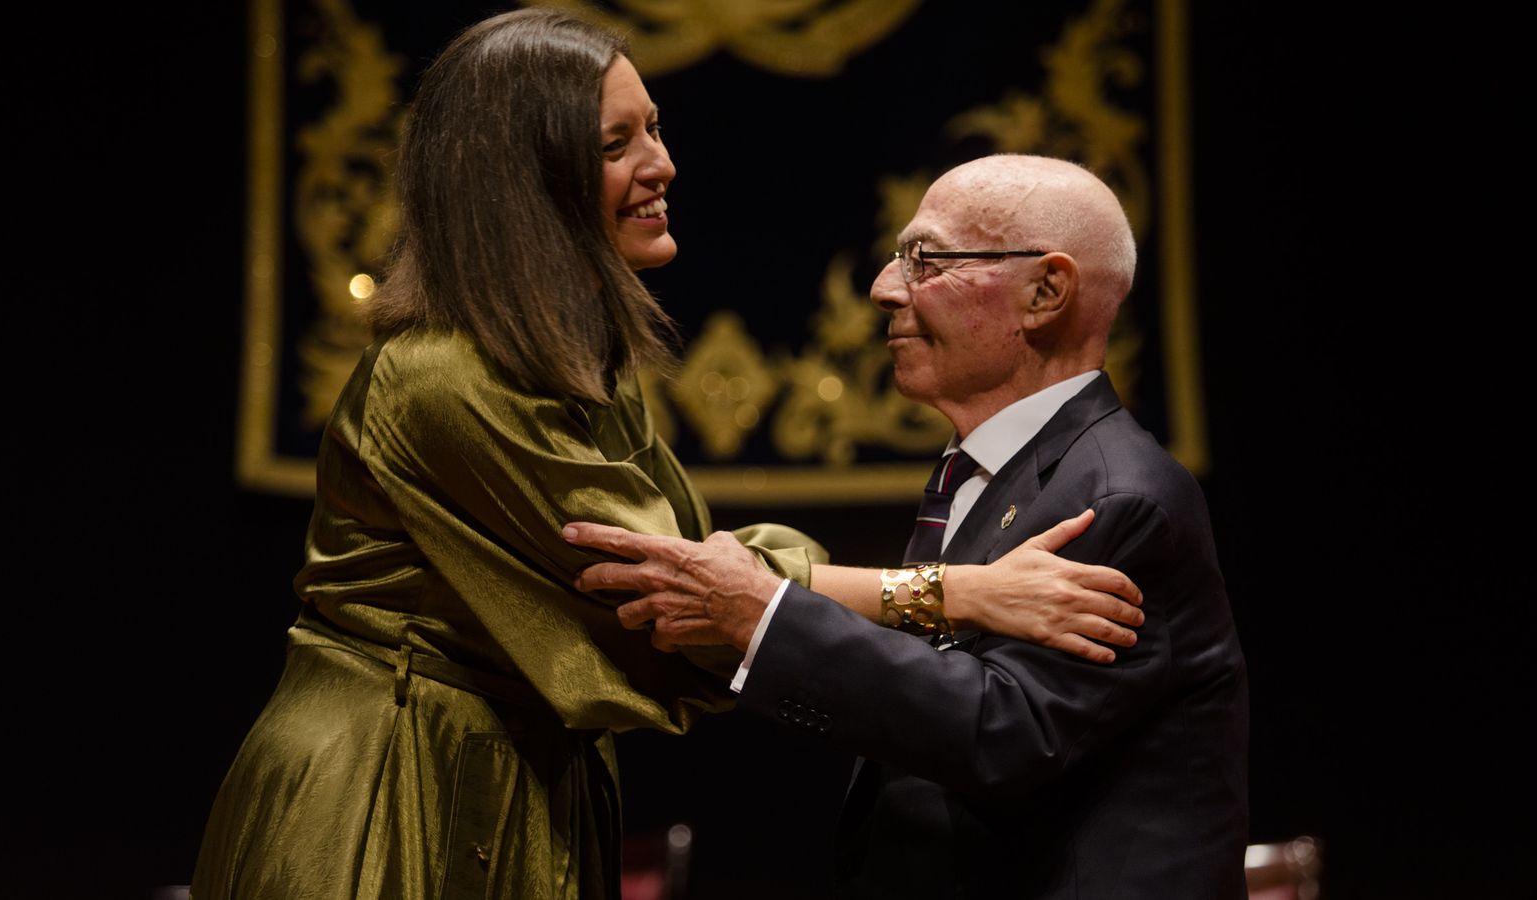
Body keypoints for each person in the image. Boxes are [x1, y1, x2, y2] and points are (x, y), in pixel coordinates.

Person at [191, 13, 1146, 900]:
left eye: (653, 128)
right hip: (389, 788)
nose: (663, 164)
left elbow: (710, 576)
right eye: (618, 145)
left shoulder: (571, 367)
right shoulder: (442, 378)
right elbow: (678, 593)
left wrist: (767, 586)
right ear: (527, 185)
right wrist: (949, 592)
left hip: (511, 779)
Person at [567, 155, 1250, 898]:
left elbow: (1002, 731)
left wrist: (763, 614)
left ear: (1046, 292)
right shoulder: (987, 472)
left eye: (925, 260)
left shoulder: (1118, 497)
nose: (884, 288)